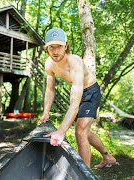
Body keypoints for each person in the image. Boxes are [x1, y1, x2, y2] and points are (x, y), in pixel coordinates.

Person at [40, 27, 117, 169]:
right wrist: (46, 111)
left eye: (59, 47)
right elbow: (50, 90)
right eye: (52, 47)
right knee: (84, 131)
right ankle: (107, 157)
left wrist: (61, 131)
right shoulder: (49, 64)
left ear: (66, 46)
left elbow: (74, 104)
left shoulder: (75, 62)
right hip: (80, 92)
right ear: (46, 48)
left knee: (80, 131)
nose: (55, 51)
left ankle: (85, 175)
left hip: (91, 92)